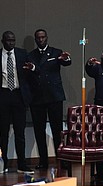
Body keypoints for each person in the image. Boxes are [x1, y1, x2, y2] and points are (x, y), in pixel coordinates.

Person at [24, 29, 71, 170]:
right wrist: (32, 68)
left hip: (54, 97)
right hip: (37, 98)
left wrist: (67, 59)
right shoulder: (30, 55)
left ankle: (61, 159)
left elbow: (66, 62)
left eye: (43, 37)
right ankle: (43, 161)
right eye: (38, 38)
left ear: (47, 38)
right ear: (35, 39)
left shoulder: (56, 52)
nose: (41, 40)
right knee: (39, 131)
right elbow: (32, 73)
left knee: (58, 131)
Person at [0, 31, 34, 174]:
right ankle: (4, 164)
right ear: (3, 41)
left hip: (19, 96)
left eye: (13, 40)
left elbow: (31, 72)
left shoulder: (21, 53)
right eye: (8, 40)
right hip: (3, 94)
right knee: (3, 132)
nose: (11, 43)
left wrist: (31, 68)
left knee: (20, 132)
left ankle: (22, 164)